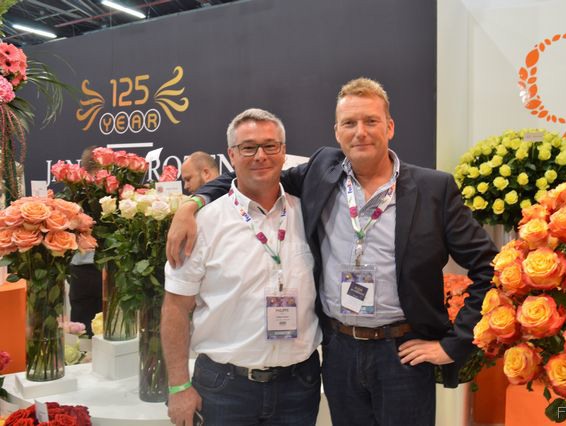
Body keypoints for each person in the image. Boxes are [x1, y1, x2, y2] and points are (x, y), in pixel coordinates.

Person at [166, 78, 497, 425]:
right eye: (349, 123)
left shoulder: (433, 189)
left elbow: (490, 268)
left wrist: (454, 344)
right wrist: (193, 202)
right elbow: (255, 173)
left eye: (371, 121)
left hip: (402, 354)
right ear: (337, 132)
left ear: (390, 127)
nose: (360, 132)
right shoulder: (321, 173)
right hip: (340, 353)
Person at [161, 108, 322, 426]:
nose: (260, 155)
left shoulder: (311, 215)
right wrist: (178, 386)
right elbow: (176, 307)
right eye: (248, 148)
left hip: (299, 387)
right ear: (231, 155)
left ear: (283, 152)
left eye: (270, 146)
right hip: (225, 389)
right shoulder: (201, 224)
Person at [68, 146, 102, 336]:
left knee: (81, 330)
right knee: (104, 329)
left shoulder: (72, 194)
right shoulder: (107, 191)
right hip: (101, 268)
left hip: (80, 269)